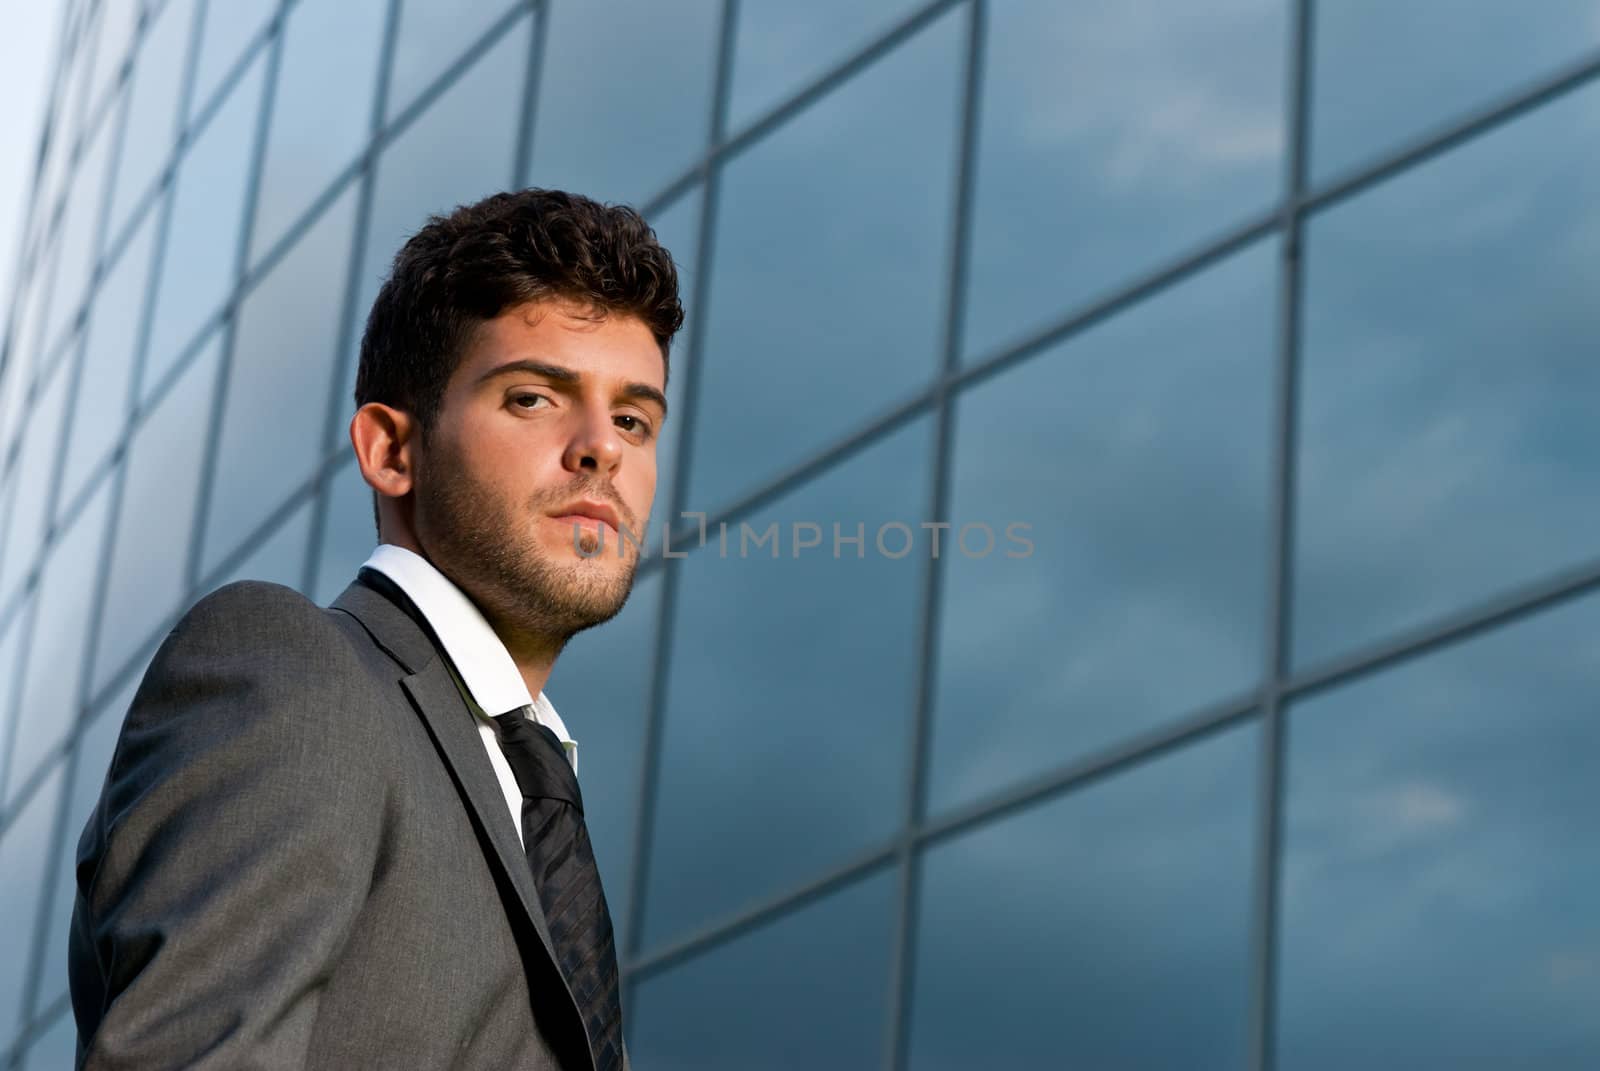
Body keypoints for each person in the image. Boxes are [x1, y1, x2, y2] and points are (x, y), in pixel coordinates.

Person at [67, 188, 682, 1069]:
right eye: (533, 397)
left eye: (633, 418)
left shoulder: (534, 792)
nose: (602, 448)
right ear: (392, 450)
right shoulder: (292, 674)